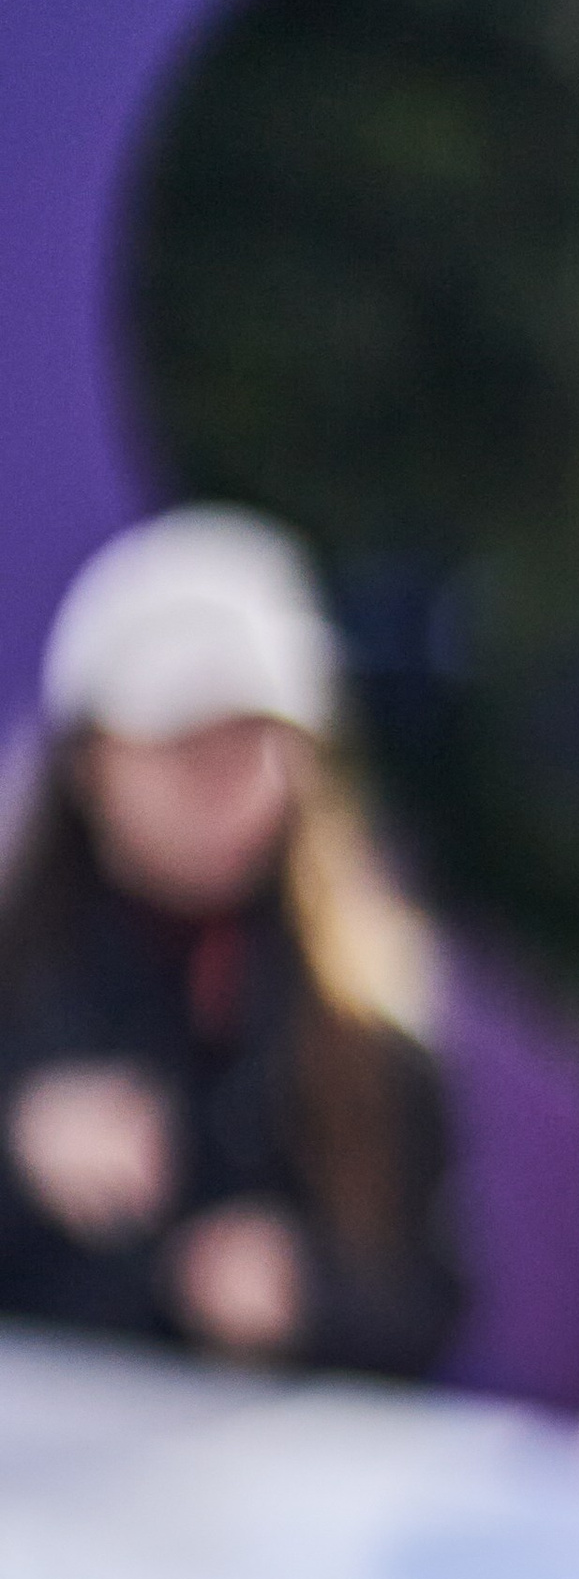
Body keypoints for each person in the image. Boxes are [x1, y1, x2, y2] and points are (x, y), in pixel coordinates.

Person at [0, 509, 454, 1380]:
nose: (223, 786)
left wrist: (308, 1292)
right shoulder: (24, 975)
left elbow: (436, 1299)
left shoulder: (367, 1002)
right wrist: (20, 1152)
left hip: (276, 1491)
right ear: (91, 764)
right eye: (183, 748)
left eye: (250, 744)